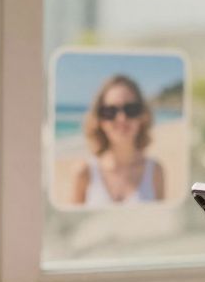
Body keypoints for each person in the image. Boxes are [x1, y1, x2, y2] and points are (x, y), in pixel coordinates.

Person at [68, 75, 166, 206]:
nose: (121, 118)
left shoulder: (155, 171)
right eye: (110, 111)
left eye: (130, 109)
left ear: (142, 116)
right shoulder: (83, 173)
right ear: (99, 120)